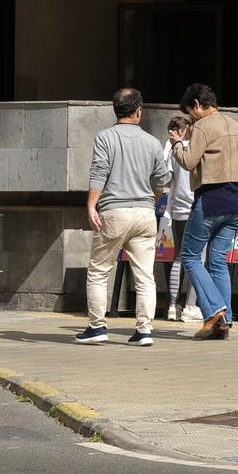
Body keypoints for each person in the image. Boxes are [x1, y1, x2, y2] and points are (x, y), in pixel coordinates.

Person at [78, 88, 170, 347]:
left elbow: (99, 171)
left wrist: (91, 206)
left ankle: (97, 327)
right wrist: (153, 198)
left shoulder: (105, 138)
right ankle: (144, 331)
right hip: (144, 214)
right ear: (139, 111)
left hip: (114, 212)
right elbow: (162, 179)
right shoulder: (152, 142)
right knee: (145, 275)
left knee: (98, 271)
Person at [170, 83, 238, 341]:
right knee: (218, 260)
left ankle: (215, 311)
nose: (191, 117)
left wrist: (177, 144)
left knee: (190, 256)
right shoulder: (236, 126)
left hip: (211, 198)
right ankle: (223, 322)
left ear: (196, 104)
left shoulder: (202, 126)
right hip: (235, 200)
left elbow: (188, 161)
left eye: (190, 112)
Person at [162, 115, 202, 323]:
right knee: (197, 258)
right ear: (186, 129)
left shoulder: (171, 151)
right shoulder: (195, 148)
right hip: (196, 208)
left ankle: (172, 305)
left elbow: (166, 180)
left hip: (177, 208)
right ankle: (190, 306)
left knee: (178, 256)